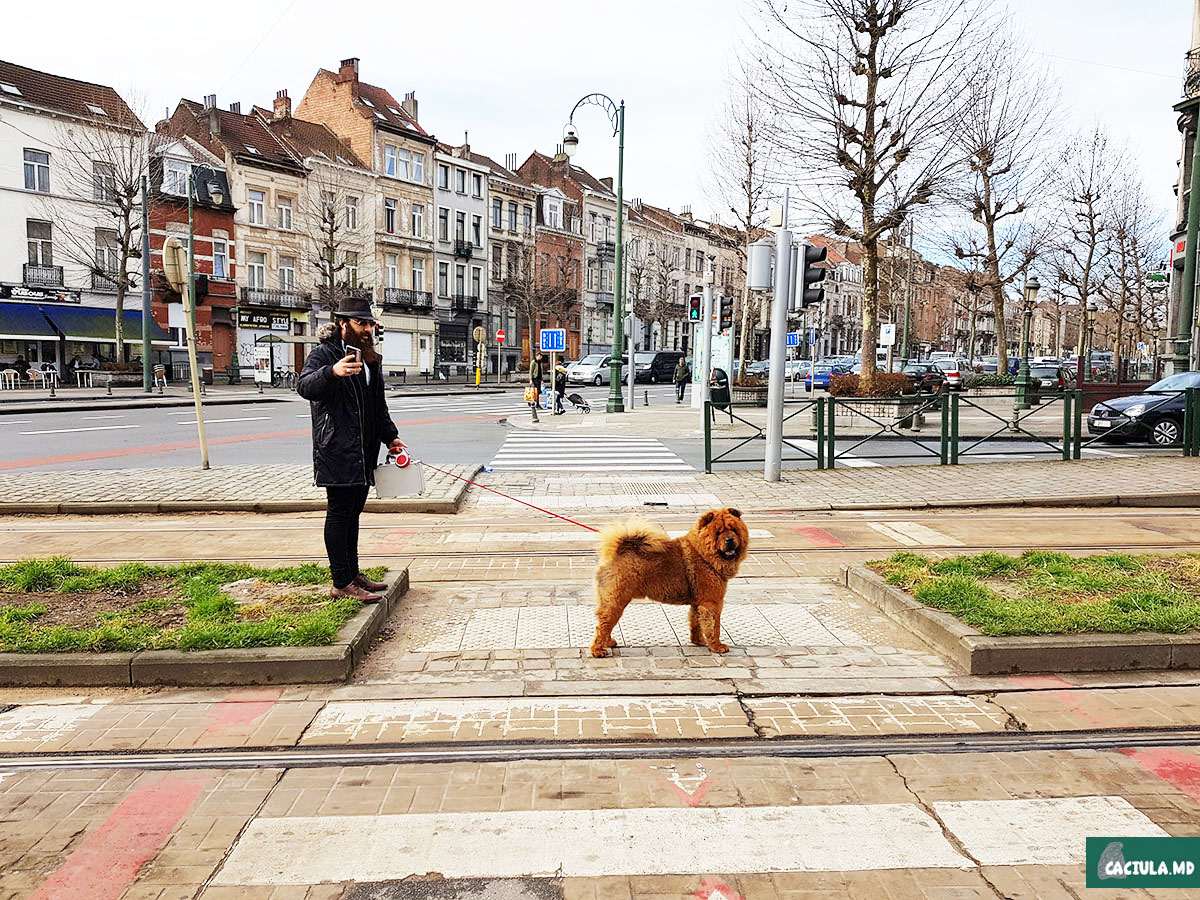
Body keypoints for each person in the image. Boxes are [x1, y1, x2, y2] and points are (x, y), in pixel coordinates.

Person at [298, 296, 405, 602]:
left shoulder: (371, 358)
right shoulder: (324, 354)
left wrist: (390, 437)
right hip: (336, 449)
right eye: (362, 323)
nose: (368, 329)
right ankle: (341, 581)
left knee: (354, 513)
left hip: (363, 450)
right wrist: (332, 372)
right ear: (344, 324)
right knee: (339, 514)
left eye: (370, 323)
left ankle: (352, 573)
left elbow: (377, 405)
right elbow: (304, 387)